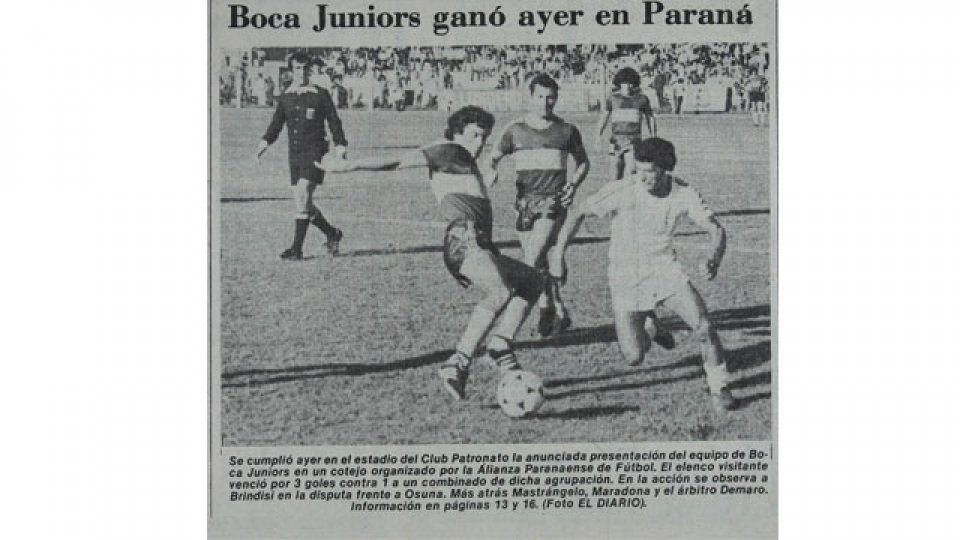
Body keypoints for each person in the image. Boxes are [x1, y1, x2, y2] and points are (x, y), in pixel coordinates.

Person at [318, 106, 556, 401]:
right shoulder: (448, 149)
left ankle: (500, 345)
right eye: (474, 135)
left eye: (484, 138)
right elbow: (398, 161)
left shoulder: (462, 158)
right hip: (464, 239)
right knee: (498, 292)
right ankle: (458, 362)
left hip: (479, 242)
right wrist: (348, 166)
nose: (480, 143)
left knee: (533, 281)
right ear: (457, 132)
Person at [548, 137, 736, 412]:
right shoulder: (623, 189)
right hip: (625, 274)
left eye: (650, 171)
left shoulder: (683, 192)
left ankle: (720, 387)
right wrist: (558, 255)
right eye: (638, 170)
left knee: (704, 326)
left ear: (665, 168)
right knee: (634, 356)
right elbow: (578, 213)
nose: (642, 177)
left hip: (664, 268)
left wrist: (713, 257)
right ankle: (652, 327)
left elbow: (716, 230)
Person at [487, 73, 590, 337]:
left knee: (530, 260)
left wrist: (573, 185)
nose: (545, 102)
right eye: (540, 97)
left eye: (550, 97)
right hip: (524, 203)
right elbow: (493, 157)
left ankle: (505, 334)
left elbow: (583, 163)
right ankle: (553, 306)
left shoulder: (567, 131)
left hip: (553, 202)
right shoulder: (515, 130)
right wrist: (492, 170)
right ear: (530, 97)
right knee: (539, 262)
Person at [256, 52, 348, 260]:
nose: (302, 72)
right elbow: (277, 123)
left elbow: (334, 120)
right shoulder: (286, 96)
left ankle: (296, 249)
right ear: (291, 71)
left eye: (306, 68)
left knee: (304, 191)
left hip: (316, 152)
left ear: (311, 70)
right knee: (302, 201)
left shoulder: (320, 94)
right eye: (298, 68)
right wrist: (265, 142)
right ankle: (332, 233)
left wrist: (340, 145)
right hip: (295, 154)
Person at [596, 67, 657, 182]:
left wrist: (653, 135)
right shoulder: (613, 99)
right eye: (625, 83)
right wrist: (598, 135)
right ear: (619, 83)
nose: (628, 86)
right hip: (615, 141)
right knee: (614, 177)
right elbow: (604, 116)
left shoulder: (642, 100)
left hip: (633, 141)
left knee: (631, 173)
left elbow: (650, 117)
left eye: (631, 83)